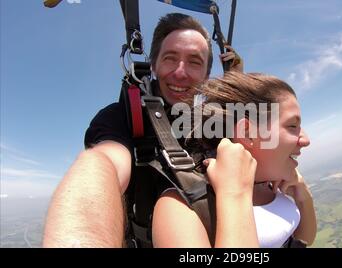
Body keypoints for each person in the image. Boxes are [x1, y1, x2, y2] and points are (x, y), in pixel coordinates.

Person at [43, 13, 244, 248]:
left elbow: (249, 129)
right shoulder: (122, 118)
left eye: (194, 62)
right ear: (153, 66)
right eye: (170, 58)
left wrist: (237, 79)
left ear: (207, 75)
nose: (180, 72)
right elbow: (104, 162)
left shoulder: (210, 121)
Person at [151, 72, 317, 248]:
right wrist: (234, 194)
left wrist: (303, 197)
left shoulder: (273, 181)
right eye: (292, 126)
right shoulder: (179, 208)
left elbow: (302, 241)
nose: (305, 139)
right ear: (247, 132)